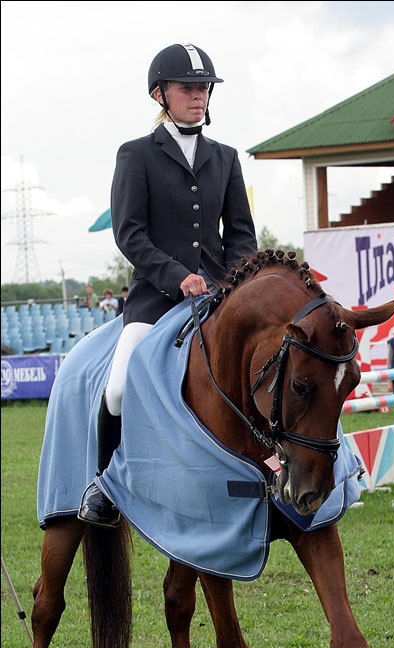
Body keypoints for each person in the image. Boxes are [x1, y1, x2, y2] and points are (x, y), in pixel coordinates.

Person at [78, 42, 257, 527]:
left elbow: (240, 234)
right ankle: (104, 486)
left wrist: (236, 284)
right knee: (116, 390)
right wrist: (178, 277)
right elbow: (129, 233)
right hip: (155, 299)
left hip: (219, 297)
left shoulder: (226, 157)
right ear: (161, 94)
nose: (198, 96)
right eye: (187, 88)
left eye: (204, 88)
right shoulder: (136, 154)